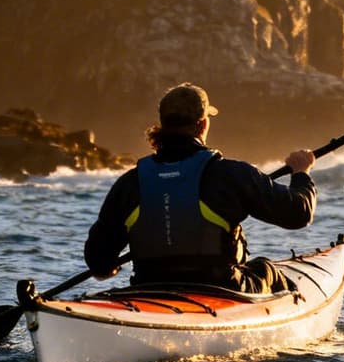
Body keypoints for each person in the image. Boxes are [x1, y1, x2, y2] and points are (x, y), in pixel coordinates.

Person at [83, 83, 317, 294]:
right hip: (222, 291)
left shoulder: (130, 183)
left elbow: (99, 265)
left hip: (149, 289)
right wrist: (301, 173)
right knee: (266, 269)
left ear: (163, 124)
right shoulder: (231, 175)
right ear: (202, 124)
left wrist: (111, 266)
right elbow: (299, 214)